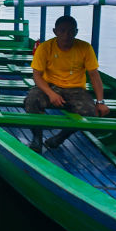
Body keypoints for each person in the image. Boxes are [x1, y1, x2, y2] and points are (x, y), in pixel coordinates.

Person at [24, 15, 109, 152]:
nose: (66, 35)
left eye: (70, 31)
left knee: (89, 112)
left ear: (76, 32)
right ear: (55, 31)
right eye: (62, 31)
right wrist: (51, 93)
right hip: (50, 86)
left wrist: (100, 101)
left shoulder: (85, 48)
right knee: (32, 100)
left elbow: (94, 75)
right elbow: (37, 76)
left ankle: (59, 138)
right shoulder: (45, 48)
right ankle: (37, 139)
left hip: (75, 89)